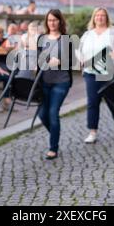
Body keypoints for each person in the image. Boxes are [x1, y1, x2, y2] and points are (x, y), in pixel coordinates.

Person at [79, 7, 114, 144]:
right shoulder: (87, 34)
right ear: (93, 18)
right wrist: (81, 58)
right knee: (92, 102)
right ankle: (92, 131)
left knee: (112, 99)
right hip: (91, 72)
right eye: (97, 16)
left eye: (102, 16)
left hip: (110, 73)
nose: (99, 18)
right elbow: (80, 50)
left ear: (106, 18)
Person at [37, 9, 74, 160]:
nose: (52, 23)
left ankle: (53, 148)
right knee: (42, 114)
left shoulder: (67, 39)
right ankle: (55, 132)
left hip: (61, 82)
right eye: (49, 20)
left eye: (54, 20)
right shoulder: (42, 38)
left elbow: (73, 61)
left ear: (60, 21)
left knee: (53, 113)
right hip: (44, 82)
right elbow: (38, 58)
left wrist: (60, 62)